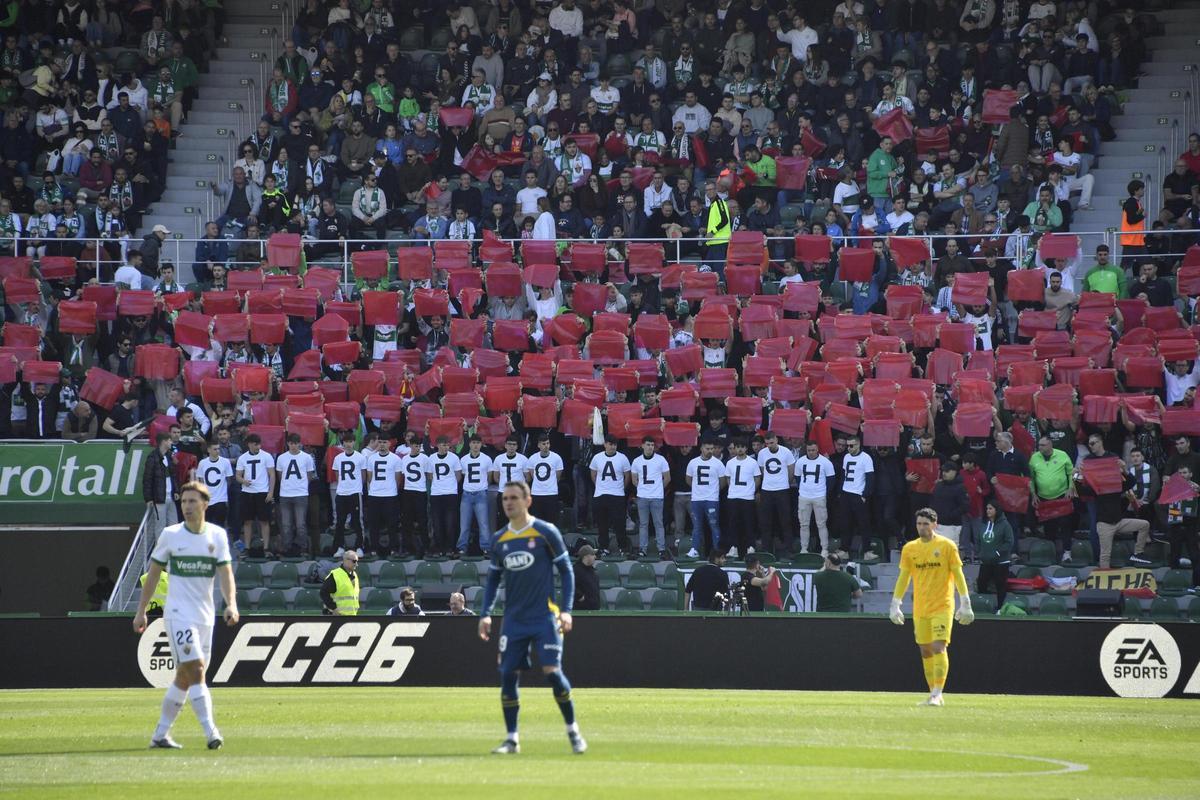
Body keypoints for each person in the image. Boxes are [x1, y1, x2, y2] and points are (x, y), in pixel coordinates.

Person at [478, 480, 584, 755]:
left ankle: (573, 730)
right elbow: (492, 580)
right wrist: (486, 614)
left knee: (552, 673)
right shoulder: (500, 539)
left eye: (514, 497)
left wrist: (567, 610)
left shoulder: (545, 532)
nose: (508, 502)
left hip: (544, 618)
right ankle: (512, 739)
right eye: (504, 499)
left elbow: (567, 572)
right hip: (513, 620)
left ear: (528, 501)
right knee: (507, 676)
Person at [132, 481, 237, 750]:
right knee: (197, 670)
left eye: (192, 501)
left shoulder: (217, 536)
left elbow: (225, 574)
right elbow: (153, 574)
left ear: (205, 504)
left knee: (185, 677)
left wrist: (231, 604)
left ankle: (160, 734)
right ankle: (211, 732)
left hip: (205, 616)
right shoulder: (170, 535)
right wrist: (141, 610)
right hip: (178, 614)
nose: (187, 506)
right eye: (184, 502)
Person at [889, 507, 974, 706]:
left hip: (942, 605)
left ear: (935, 525)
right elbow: (904, 577)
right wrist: (895, 603)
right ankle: (932, 693)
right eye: (919, 523)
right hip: (920, 607)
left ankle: (938, 693)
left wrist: (965, 602)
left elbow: (958, 574)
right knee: (925, 650)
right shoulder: (910, 548)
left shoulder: (947, 546)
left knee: (938, 646)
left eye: (926, 524)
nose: (922, 527)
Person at [589, 434, 632, 555]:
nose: (612, 447)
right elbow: (593, 474)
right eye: (610, 444)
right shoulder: (597, 458)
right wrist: (599, 487)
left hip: (617, 495)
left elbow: (627, 475)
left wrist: (621, 488)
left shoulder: (622, 458)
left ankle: (623, 548)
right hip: (600, 495)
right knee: (602, 524)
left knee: (619, 523)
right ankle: (604, 547)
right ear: (605, 444)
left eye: (614, 445)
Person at [630, 436, 671, 559]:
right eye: (648, 445)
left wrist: (658, 489)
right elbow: (634, 480)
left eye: (652, 445)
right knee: (643, 524)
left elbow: (667, 478)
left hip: (657, 497)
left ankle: (661, 549)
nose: (650, 447)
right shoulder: (636, 461)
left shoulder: (661, 460)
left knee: (659, 523)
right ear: (642, 445)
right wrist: (643, 489)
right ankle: (643, 549)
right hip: (642, 497)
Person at [234, 433, 276, 555]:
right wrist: (243, 481)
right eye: (255, 444)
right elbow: (237, 475)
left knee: (264, 521)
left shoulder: (266, 456)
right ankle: (247, 548)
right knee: (247, 521)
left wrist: (270, 492)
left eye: (259, 444)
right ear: (249, 444)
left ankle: (266, 548)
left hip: (262, 492)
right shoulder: (242, 458)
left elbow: (272, 475)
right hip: (247, 493)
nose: (258, 446)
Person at [275, 433, 315, 557]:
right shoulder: (281, 458)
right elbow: (280, 476)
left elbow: (309, 475)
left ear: (300, 444)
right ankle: (287, 549)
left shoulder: (307, 457)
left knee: (300, 524)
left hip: (301, 493)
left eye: (296, 443)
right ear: (288, 444)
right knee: (286, 524)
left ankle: (302, 549)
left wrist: (301, 487)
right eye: (291, 443)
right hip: (285, 494)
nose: (293, 446)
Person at [685, 439, 727, 558]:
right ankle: (694, 549)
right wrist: (698, 489)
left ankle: (717, 551)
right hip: (696, 499)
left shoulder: (718, 463)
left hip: (711, 499)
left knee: (714, 525)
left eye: (712, 449)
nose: (710, 451)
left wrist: (713, 491)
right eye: (707, 449)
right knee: (697, 525)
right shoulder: (693, 462)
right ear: (701, 448)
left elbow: (723, 481)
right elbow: (688, 479)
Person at [364, 435, 403, 556]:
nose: (382, 444)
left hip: (390, 495)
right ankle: (374, 548)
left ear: (389, 444)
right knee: (374, 524)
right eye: (380, 442)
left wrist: (391, 489)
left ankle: (394, 549)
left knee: (392, 524)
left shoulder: (396, 459)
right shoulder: (371, 458)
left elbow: (398, 478)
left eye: (384, 442)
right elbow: (369, 477)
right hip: (375, 494)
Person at [795, 440, 835, 556]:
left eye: (813, 450)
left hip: (819, 496)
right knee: (803, 524)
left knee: (821, 523)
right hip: (804, 496)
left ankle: (824, 549)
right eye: (809, 450)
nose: (811, 452)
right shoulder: (800, 461)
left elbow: (831, 480)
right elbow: (797, 478)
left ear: (817, 449)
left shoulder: (825, 462)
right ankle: (804, 548)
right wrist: (804, 490)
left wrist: (822, 492)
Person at [330, 431, 366, 556]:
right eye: (346, 442)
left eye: (351, 442)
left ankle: (359, 546)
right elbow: (337, 475)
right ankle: (340, 546)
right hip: (341, 493)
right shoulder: (338, 458)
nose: (349, 444)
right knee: (340, 521)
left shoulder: (360, 457)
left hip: (355, 493)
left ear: (354, 442)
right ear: (343, 443)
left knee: (357, 521)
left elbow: (363, 476)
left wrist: (357, 487)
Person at [974, 499, 1014, 608]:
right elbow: (978, 538)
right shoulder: (983, 524)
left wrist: (997, 552)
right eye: (987, 508)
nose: (988, 511)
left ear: (997, 510)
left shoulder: (1005, 525)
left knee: (1000, 586)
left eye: (990, 508)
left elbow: (1009, 542)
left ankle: (1000, 608)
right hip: (986, 560)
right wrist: (979, 552)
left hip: (1001, 562)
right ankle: (983, 606)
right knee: (981, 583)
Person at [142, 432, 179, 546]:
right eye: (169, 440)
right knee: (160, 528)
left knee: (174, 526)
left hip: (171, 496)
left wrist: (176, 490)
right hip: (159, 498)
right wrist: (148, 498)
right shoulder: (152, 457)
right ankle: (160, 556)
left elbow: (173, 476)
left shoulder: (169, 456)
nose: (171, 442)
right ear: (164, 441)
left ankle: (173, 552)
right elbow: (147, 479)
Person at [527, 434, 565, 526]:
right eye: (543, 444)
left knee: (551, 522)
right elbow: (533, 475)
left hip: (551, 493)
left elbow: (558, 476)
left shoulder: (556, 458)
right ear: (538, 445)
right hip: (536, 493)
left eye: (548, 443)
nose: (546, 446)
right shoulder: (532, 458)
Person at [195, 441, 233, 530]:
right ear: (208, 450)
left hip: (221, 499)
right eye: (215, 449)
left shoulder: (225, 462)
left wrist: (224, 493)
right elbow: (200, 480)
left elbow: (229, 479)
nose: (217, 451)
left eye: (218, 449)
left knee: (220, 526)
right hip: (207, 499)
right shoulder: (202, 463)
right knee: (207, 525)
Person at [320, 550, 361, 616]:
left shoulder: (355, 575)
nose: (356, 564)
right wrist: (334, 608)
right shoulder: (335, 575)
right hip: (336, 617)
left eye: (357, 561)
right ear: (346, 560)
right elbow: (323, 592)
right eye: (354, 561)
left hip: (351, 616)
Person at [571, 544, 601, 610]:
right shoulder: (576, 570)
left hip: (594, 609)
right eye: (593, 555)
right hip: (581, 611)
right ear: (586, 556)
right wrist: (579, 596)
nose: (595, 557)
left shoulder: (592, 570)